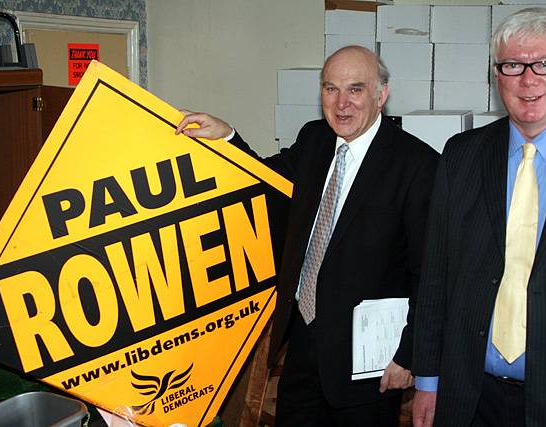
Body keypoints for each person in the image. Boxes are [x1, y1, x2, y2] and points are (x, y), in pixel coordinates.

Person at [176, 45, 438, 426]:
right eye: (330, 89)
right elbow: (266, 183)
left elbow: (429, 274)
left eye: (355, 89)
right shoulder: (314, 139)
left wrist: (410, 355)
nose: (341, 103)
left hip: (368, 364)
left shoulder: (418, 165)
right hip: (300, 342)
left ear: (381, 95)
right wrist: (227, 136)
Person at [410, 8, 546, 427]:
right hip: (469, 398)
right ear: (496, 75)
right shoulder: (461, 156)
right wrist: (428, 380)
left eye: (545, 64)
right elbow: (434, 275)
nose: (528, 80)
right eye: (513, 65)